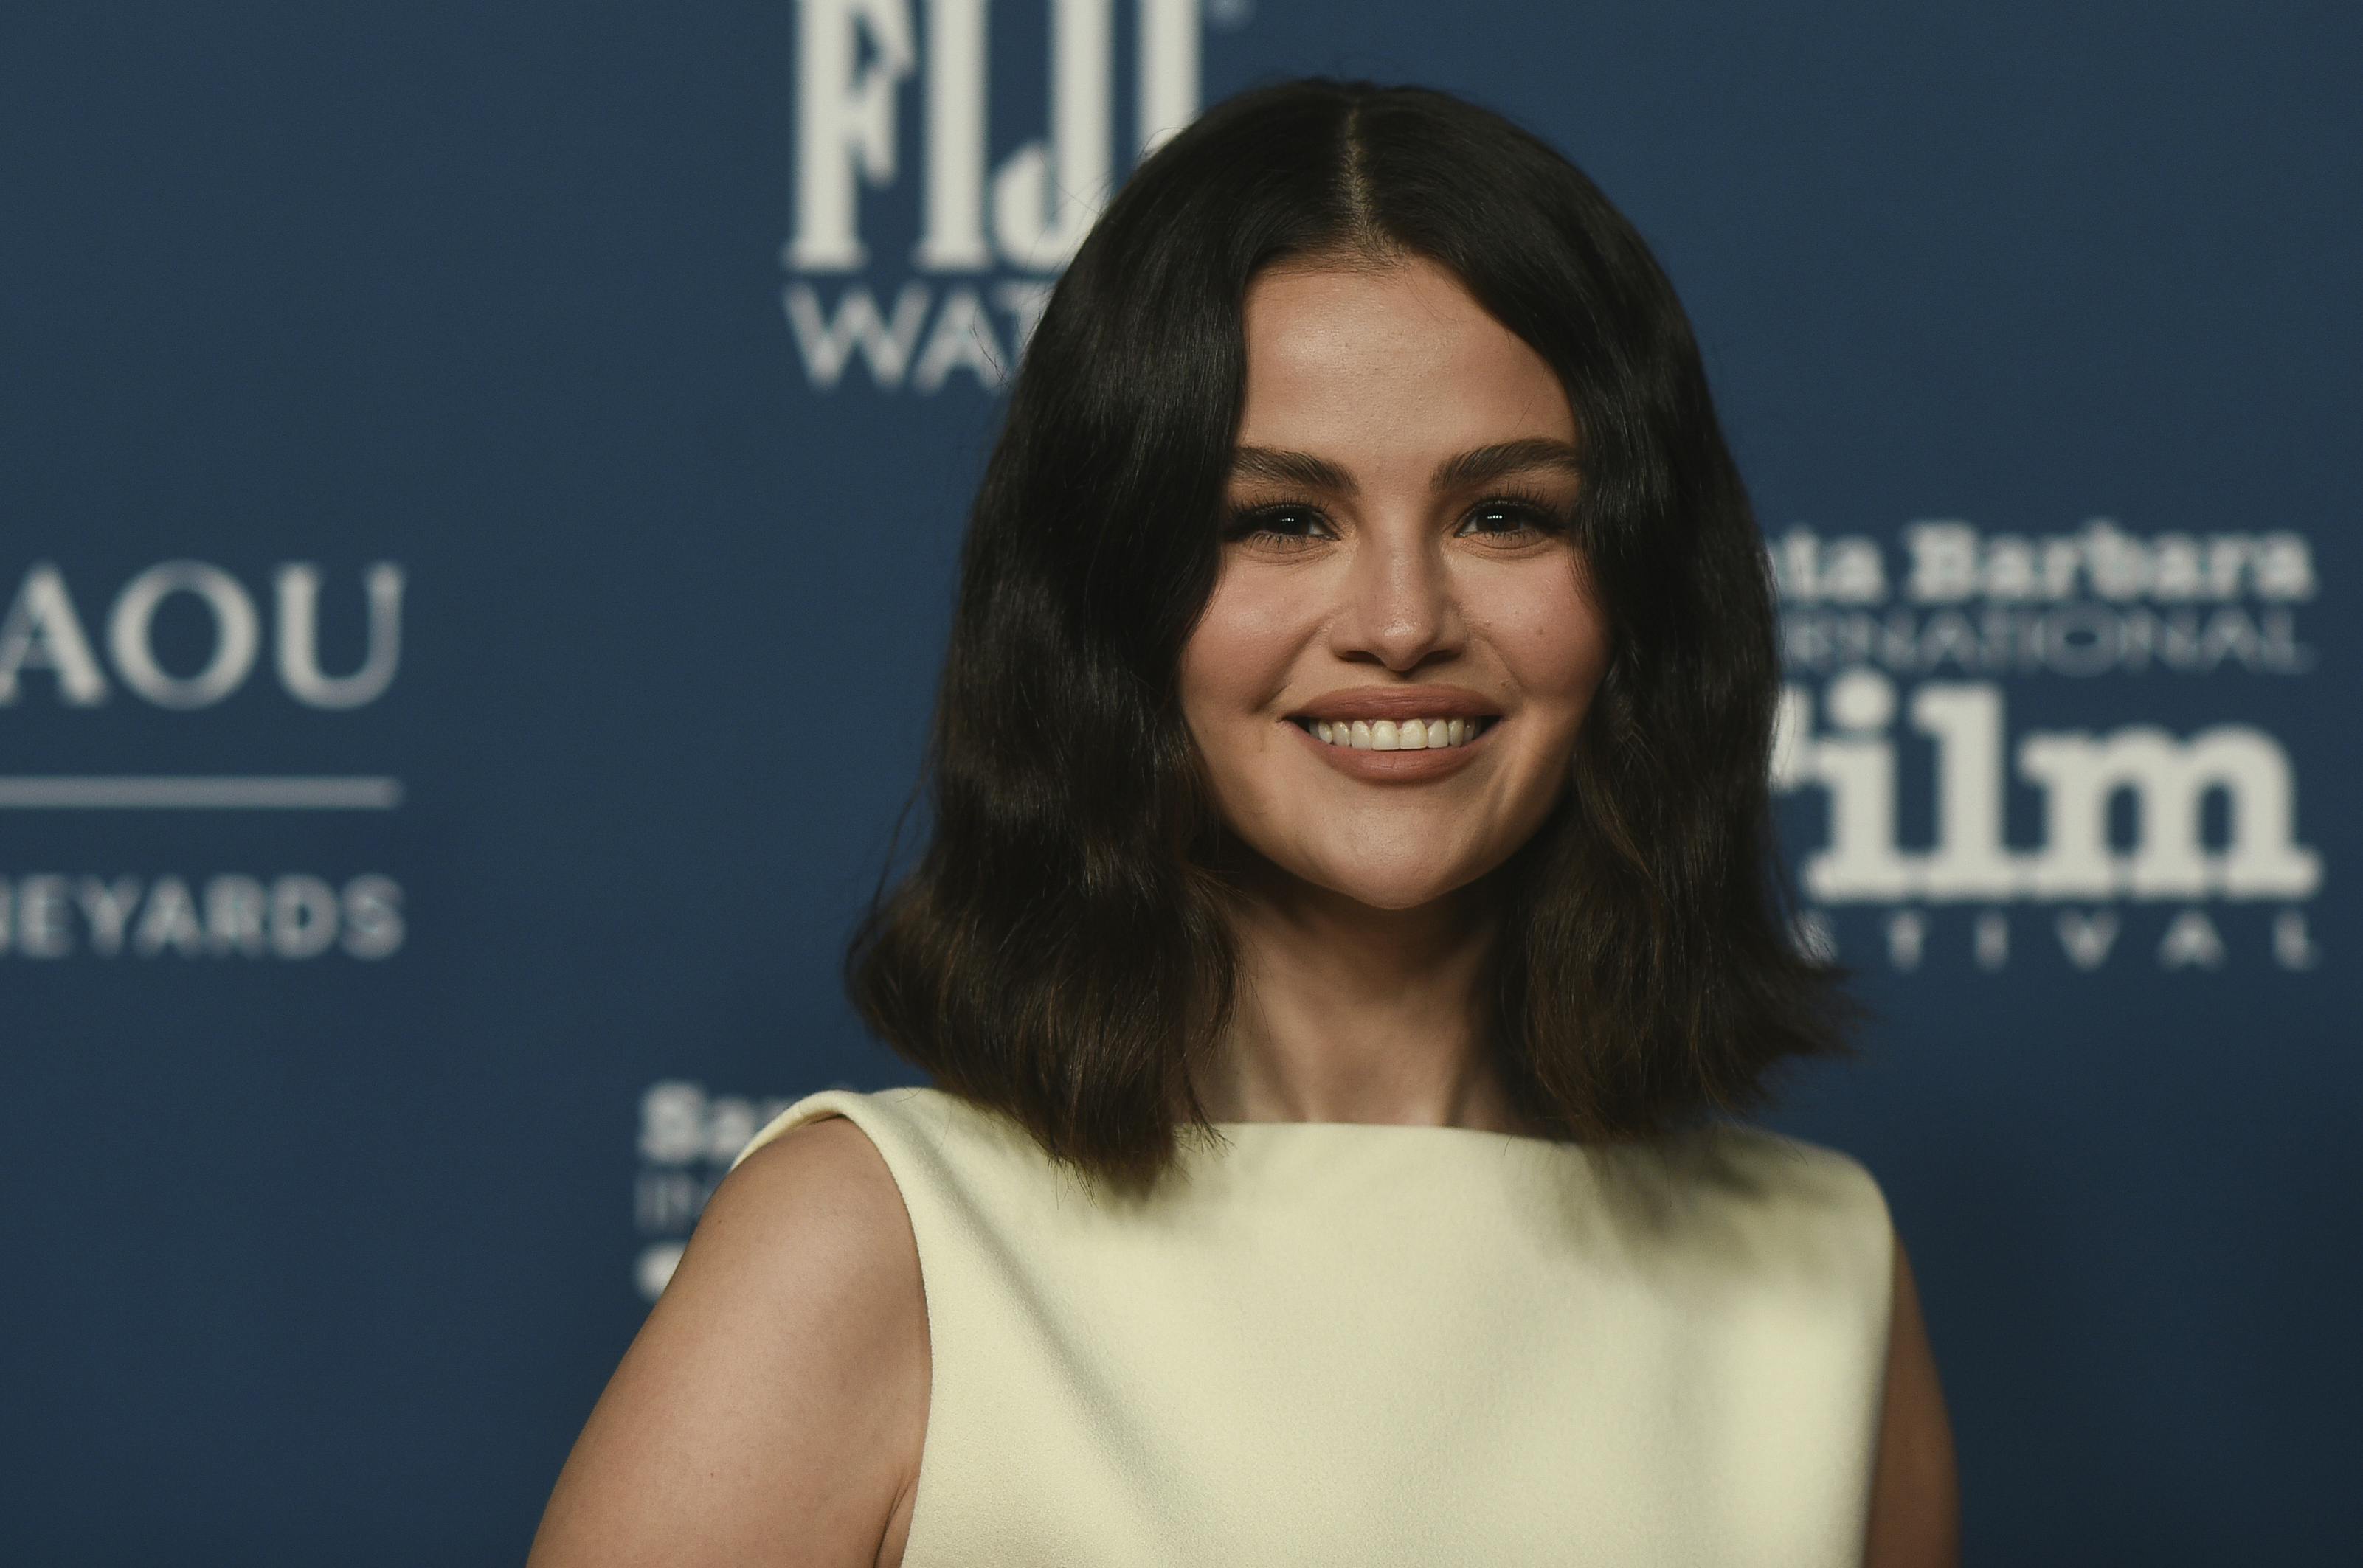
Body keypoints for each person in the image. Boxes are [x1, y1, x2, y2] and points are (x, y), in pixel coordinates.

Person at [527, 77, 1959, 1567]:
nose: (1402, 623)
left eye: (1508, 514)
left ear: (1643, 595)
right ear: (1110, 601)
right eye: (1280, 520)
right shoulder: (878, 1249)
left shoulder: (1822, 1276)